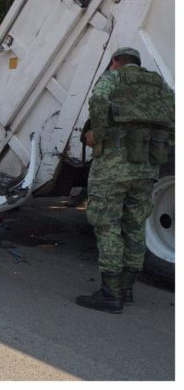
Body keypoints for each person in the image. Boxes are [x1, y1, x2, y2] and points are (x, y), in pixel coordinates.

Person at [77, 47, 175, 314]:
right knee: (134, 225)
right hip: (146, 168)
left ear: (115, 62)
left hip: (112, 166)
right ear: (138, 64)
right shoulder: (159, 84)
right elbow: (174, 120)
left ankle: (110, 293)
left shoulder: (113, 78)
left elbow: (98, 101)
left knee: (107, 225)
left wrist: (98, 134)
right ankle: (127, 288)